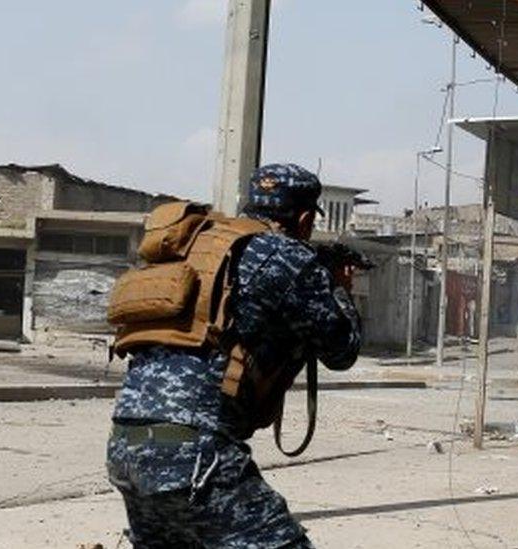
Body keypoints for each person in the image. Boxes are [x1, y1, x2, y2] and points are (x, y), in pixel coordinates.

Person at [106, 163, 363, 548]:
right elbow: (342, 349)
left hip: (125, 445)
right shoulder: (286, 256)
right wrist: (339, 288)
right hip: (195, 454)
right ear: (306, 218)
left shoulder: (196, 247)